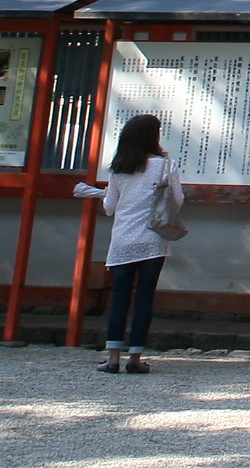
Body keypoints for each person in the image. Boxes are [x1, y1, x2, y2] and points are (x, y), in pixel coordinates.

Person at [73, 113, 183, 374]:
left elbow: (110, 207)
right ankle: (135, 358)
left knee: (120, 297)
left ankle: (112, 358)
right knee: (144, 298)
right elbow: (177, 199)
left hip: (123, 240)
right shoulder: (166, 166)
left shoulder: (120, 169)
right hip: (153, 239)